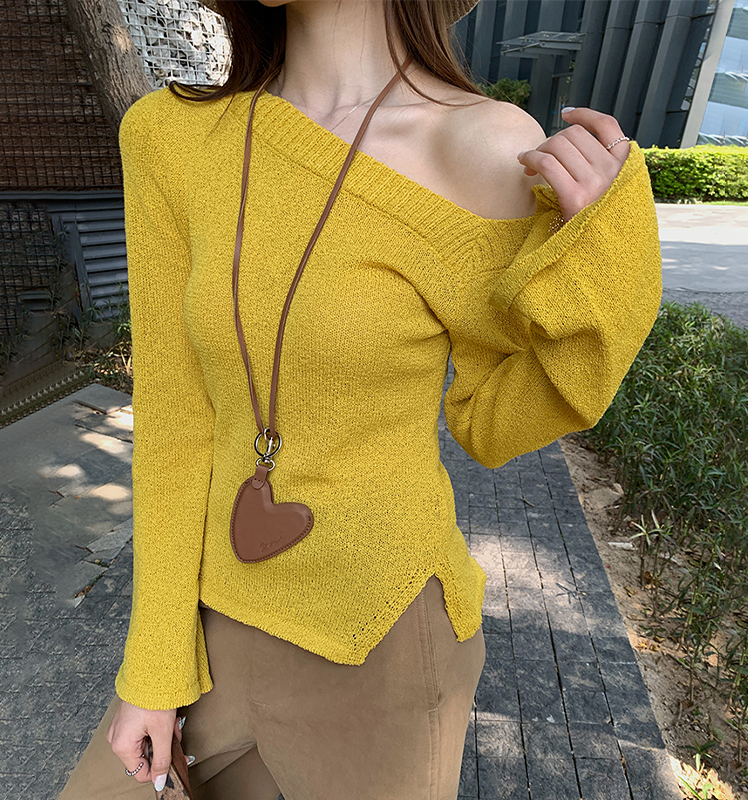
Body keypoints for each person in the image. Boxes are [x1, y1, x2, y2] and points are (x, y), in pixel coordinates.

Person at [58, 0, 662, 797]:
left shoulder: (483, 148)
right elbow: (176, 424)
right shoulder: (169, 137)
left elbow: (493, 422)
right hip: (210, 627)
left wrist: (608, 269)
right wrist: (152, 666)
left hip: (383, 648)